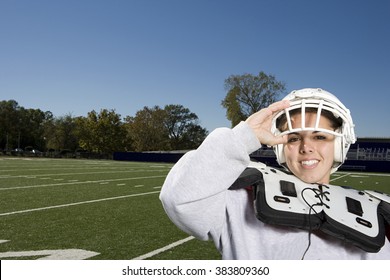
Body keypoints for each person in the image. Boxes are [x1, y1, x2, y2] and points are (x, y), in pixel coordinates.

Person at [160, 88, 390, 259]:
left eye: (319, 136)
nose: (306, 147)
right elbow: (178, 198)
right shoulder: (241, 200)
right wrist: (243, 137)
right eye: (293, 138)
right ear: (280, 145)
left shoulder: (375, 216)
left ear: (340, 144)